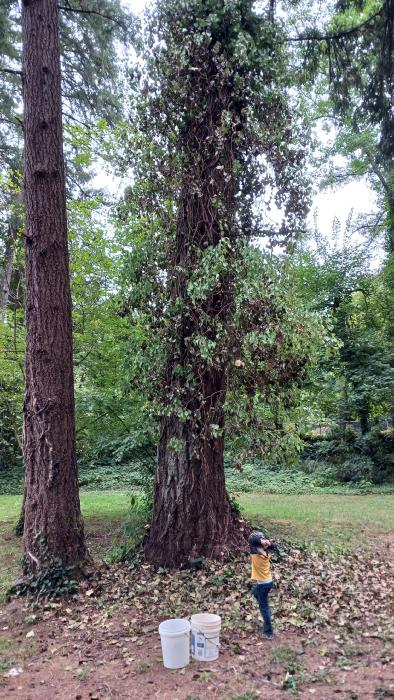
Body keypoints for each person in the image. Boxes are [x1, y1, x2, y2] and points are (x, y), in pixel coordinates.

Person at [249, 530, 274, 639]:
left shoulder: (255, 554)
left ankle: (268, 632)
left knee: (263, 606)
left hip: (263, 584)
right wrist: (267, 543)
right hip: (268, 582)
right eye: (262, 539)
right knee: (254, 592)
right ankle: (267, 610)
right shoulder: (267, 551)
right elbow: (272, 546)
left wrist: (260, 541)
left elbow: (252, 544)